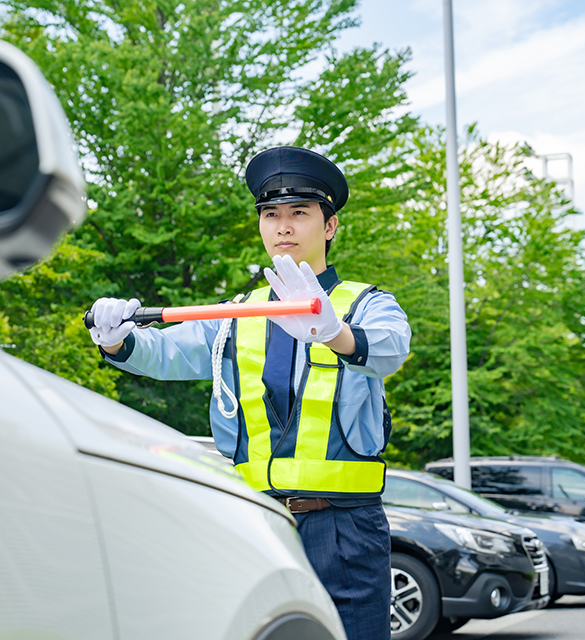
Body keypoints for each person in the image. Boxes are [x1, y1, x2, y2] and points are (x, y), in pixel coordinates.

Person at [88, 146, 411, 640]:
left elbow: (390, 347)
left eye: (299, 213)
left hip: (343, 527)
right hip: (257, 522)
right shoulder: (238, 312)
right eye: (270, 214)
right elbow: (162, 353)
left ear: (329, 227)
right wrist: (115, 338)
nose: (282, 226)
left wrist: (336, 333)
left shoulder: (364, 303)